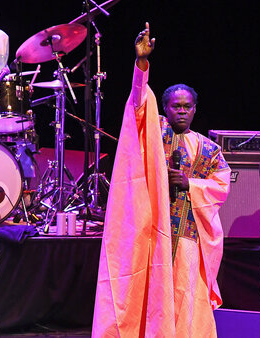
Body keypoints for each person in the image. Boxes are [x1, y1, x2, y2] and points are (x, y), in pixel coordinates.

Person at [93, 23, 231, 337]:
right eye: (175, 106)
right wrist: (142, 64)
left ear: (195, 110)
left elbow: (222, 186)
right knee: (147, 294)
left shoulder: (209, 149)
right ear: (166, 108)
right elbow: (138, 105)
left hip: (187, 234)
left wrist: (190, 184)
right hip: (151, 231)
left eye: (187, 106)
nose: (181, 111)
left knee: (185, 297)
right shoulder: (154, 132)